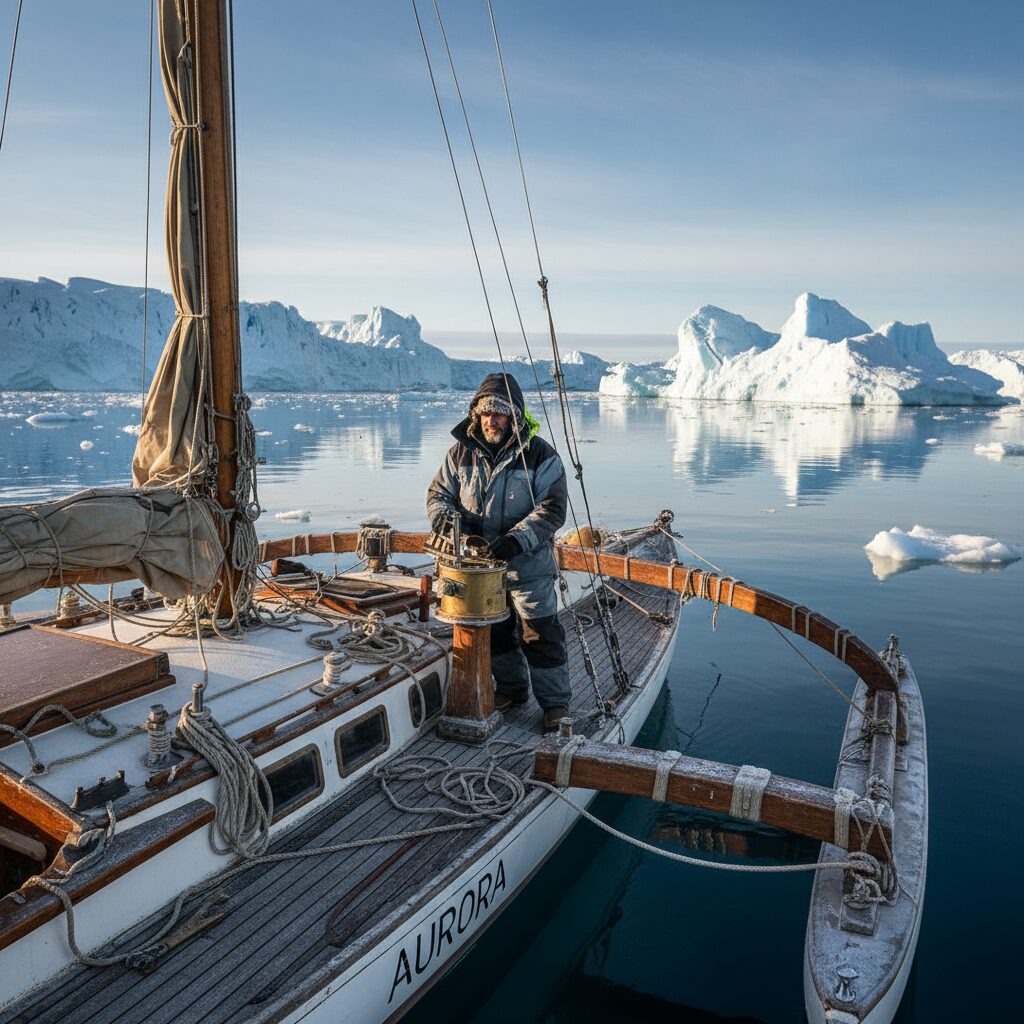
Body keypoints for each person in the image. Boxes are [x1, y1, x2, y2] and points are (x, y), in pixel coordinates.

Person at [427, 373, 570, 732]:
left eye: (501, 413)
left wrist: (513, 540)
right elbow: (438, 497)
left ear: (515, 416)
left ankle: (555, 706)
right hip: (477, 568)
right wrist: (454, 527)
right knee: (497, 632)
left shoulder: (540, 455)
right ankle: (511, 690)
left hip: (528, 565)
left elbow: (552, 509)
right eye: (487, 413)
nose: (493, 420)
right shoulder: (460, 453)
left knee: (540, 634)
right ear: (476, 414)